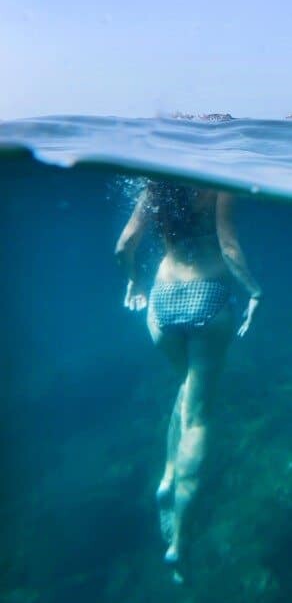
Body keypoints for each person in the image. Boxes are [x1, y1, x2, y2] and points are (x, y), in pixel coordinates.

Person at [115, 179, 261, 582]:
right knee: (199, 418)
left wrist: (133, 281)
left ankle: (166, 478)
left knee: (186, 388)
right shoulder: (218, 184)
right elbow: (228, 247)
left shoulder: (154, 186)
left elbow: (125, 244)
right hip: (209, 297)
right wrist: (254, 293)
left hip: (162, 301)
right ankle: (178, 545)